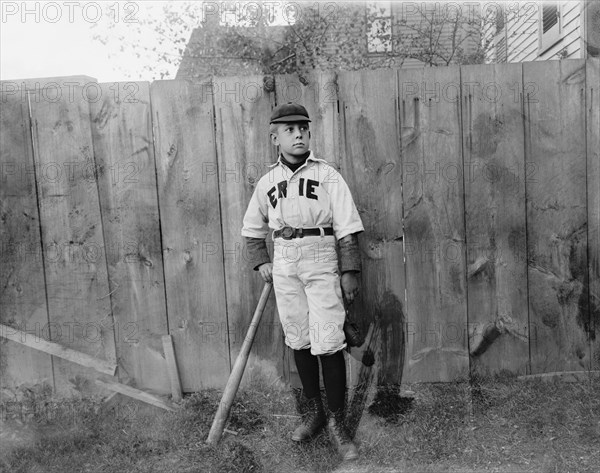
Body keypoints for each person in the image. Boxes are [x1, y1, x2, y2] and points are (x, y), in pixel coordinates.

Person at [241, 102, 364, 461]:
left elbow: (347, 226)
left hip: (321, 256)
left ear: (309, 133)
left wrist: (349, 271)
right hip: (284, 261)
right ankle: (315, 414)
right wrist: (261, 261)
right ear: (274, 137)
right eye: (289, 129)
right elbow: (252, 230)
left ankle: (339, 423)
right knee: (299, 337)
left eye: (303, 128)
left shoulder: (327, 175)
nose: (297, 134)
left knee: (329, 339)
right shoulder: (268, 182)